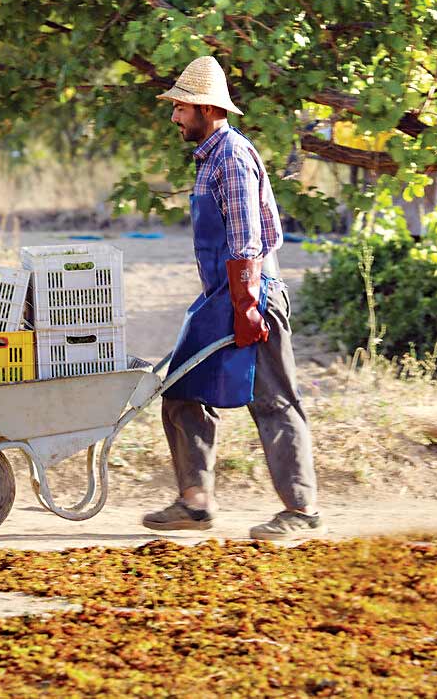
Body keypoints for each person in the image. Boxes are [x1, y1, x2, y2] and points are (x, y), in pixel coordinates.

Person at [141, 56, 323, 542]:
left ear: (206, 109)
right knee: (182, 389)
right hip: (223, 294)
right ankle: (195, 502)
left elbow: (246, 242)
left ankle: (302, 510)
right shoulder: (209, 159)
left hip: (253, 292)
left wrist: (246, 308)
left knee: (274, 400)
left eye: (181, 107)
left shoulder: (233, 157)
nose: (175, 116)